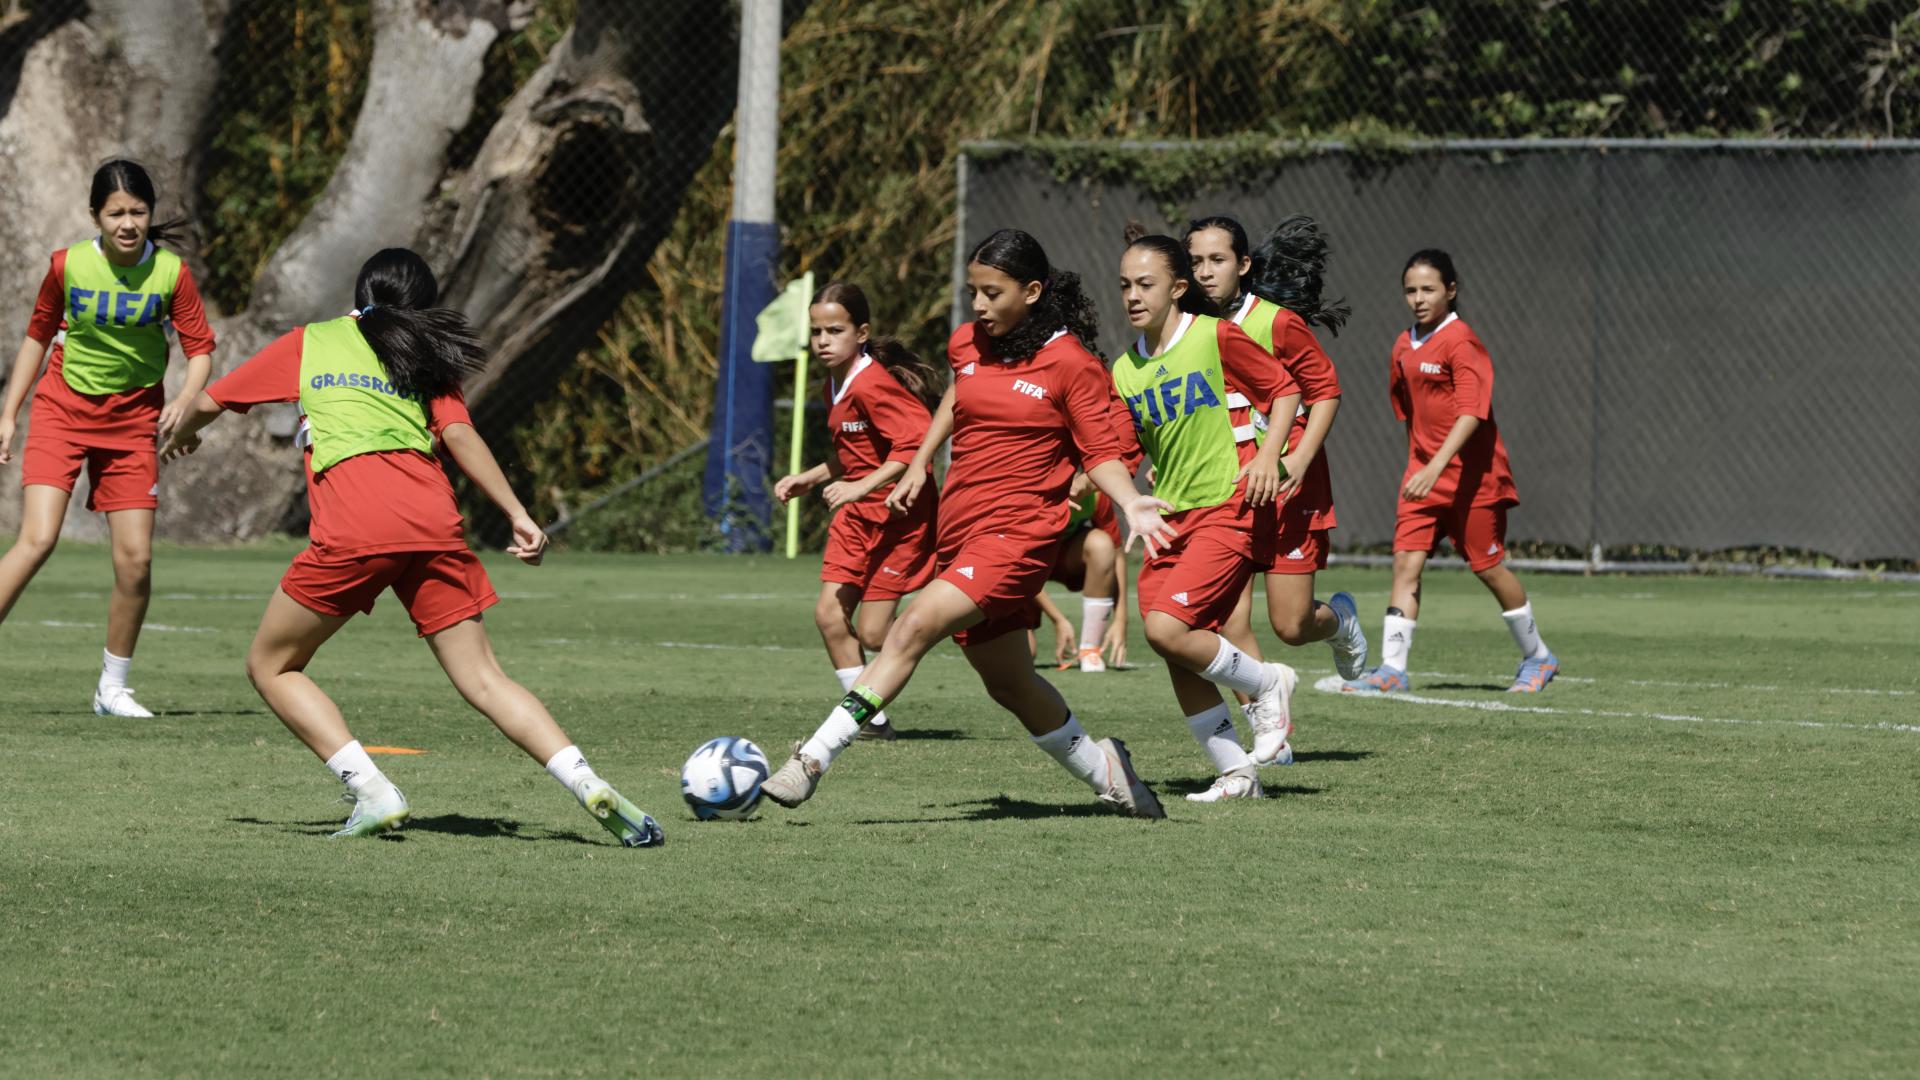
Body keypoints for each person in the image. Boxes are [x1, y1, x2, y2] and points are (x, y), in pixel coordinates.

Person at [159, 248, 663, 845]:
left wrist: (182, 436)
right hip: (433, 521)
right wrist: (518, 514)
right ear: (423, 303)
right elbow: (458, 434)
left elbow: (210, 401)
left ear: (359, 291)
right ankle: (586, 782)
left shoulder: (311, 341)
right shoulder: (422, 353)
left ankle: (372, 792)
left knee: (271, 666)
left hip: (356, 528)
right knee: (484, 679)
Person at [761, 229, 1176, 818]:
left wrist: (1130, 501)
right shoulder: (969, 343)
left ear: (1032, 291)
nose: (978, 306)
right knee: (1010, 684)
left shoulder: (1071, 365)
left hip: (1019, 536)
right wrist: (920, 459)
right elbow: (958, 396)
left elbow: (1101, 451)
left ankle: (812, 760)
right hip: (961, 534)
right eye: (973, 292)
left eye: (992, 293)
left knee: (909, 629)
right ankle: (1110, 774)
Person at [0, 160, 215, 717]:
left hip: (133, 421)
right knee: (37, 539)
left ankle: (112, 688)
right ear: (95, 214)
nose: (127, 223)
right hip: (61, 409)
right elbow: (37, 337)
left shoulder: (171, 273)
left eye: (138, 212)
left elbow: (200, 350)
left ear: (150, 214)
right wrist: (9, 413)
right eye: (116, 213)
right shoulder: (67, 265)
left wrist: (185, 400)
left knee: (136, 561)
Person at [1110, 230, 1303, 803]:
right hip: (1170, 518)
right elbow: (1122, 449)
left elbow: (1286, 389)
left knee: (1167, 630)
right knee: (1174, 648)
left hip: (1228, 506)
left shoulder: (1213, 335)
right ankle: (1237, 774)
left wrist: (1270, 456)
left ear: (1178, 286)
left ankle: (1269, 681)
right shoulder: (1124, 370)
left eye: (1146, 284)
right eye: (1124, 285)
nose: (1133, 295)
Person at [1185, 214, 1369, 741]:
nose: (1204, 271)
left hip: (1290, 487)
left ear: (1243, 265)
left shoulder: (1276, 322)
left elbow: (1325, 392)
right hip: (1229, 489)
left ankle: (1339, 622)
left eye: (1216, 260)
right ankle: (1270, 730)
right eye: (1195, 261)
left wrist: (1298, 460)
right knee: (1228, 620)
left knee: (1290, 627)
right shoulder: (1191, 328)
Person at [1345, 249, 1558, 694]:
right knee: (1405, 565)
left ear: (1451, 290)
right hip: (1422, 481)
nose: (1418, 298)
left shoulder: (1461, 341)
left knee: (1489, 568)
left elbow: (1471, 413)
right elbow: (1409, 416)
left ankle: (1538, 658)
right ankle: (1392, 670)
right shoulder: (1404, 344)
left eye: (1428, 289)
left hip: (1474, 480)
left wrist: (1436, 465)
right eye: (1410, 290)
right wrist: (1418, 469)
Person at [774, 282, 944, 742]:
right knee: (829, 616)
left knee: (873, 634)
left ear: (861, 332)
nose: (823, 340)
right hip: (856, 516)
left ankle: (951, 617)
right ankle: (870, 722)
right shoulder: (835, 382)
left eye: (835, 330)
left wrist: (859, 487)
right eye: (817, 332)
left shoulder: (872, 383)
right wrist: (810, 478)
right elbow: (854, 454)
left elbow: (915, 444)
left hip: (899, 517)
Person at [1031, 481, 1130, 673]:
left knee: (1101, 544)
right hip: (1026, 566)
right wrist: (1058, 619)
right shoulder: (1035, 489)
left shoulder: (1095, 494)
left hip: (1066, 559)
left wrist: (1120, 620)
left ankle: (1090, 649)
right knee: (1022, 655)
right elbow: (1018, 559)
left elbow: (1117, 555)